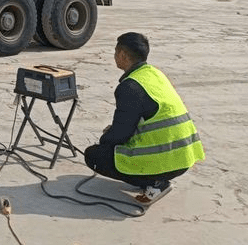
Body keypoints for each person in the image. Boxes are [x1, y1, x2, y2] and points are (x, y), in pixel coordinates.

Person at [84, 32, 204, 204]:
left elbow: (121, 133)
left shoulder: (129, 87)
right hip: (185, 157)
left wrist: (104, 142)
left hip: (167, 160)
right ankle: (154, 179)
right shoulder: (155, 74)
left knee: (94, 155)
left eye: (115, 52)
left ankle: (154, 183)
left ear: (122, 55)